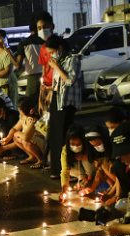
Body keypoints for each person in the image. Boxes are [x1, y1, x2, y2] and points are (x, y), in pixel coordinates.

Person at [44, 34, 82, 183]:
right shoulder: (58, 61)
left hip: (67, 103)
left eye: (52, 52)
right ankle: (55, 169)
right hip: (56, 101)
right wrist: (48, 89)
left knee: (63, 136)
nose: (51, 55)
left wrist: (57, 67)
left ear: (60, 48)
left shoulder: (73, 60)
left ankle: (66, 169)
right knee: (54, 135)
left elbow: (70, 80)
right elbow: (57, 84)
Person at [0, 97, 46, 166]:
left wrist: (17, 133)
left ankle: (41, 159)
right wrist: (8, 138)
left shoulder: (33, 120)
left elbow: (26, 138)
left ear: (21, 110)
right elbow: (15, 129)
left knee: (22, 139)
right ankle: (33, 157)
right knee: (16, 138)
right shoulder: (23, 117)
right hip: (31, 141)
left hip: (42, 144)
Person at [11, 18, 45, 109]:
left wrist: (8, 53)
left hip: (32, 77)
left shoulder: (24, 43)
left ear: (30, 29)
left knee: (28, 104)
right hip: (46, 75)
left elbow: (18, 66)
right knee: (43, 102)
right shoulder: (45, 42)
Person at [60, 125, 97, 199]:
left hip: (91, 168)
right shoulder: (65, 150)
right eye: (72, 144)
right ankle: (84, 179)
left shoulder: (90, 146)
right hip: (80, 170)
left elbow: (98, 164)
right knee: (70, 167)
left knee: (87, 160)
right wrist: (64, 187)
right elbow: (65, 170)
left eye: (79, 144)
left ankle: (89, 180)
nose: (75, 146)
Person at [36, 12, 57, 125]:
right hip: (47, 88)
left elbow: (59, 70)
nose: (42, 30)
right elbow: (44, 73)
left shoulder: (59, 45)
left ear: (52, 26)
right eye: (39, 28)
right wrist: (41, 96)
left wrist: (51, 93)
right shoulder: (43, 48)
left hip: (56, 89)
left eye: (45, 27)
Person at [0, 29, 19, 108]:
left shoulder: (7, 52)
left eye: (0, 38)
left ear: (5, 38)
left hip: (6, 85)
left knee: (8, 108)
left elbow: (7, 71)